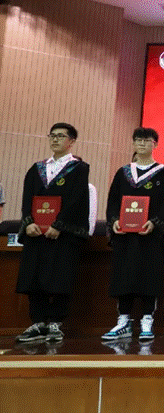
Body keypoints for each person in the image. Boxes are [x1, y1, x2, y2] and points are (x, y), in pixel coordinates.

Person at [15, 123, 89, 343]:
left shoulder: (79, 169)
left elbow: (76, 200)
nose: (55, 140)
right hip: (36, 233)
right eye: (52, 136)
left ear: (71, 141)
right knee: (34, 277)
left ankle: (55, 323)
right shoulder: (37, 168)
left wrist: (59, 225)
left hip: (62, 235)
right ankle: (37, 323)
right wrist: (28, 222)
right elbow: (27, 198)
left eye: (61, 136)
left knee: (60, 278)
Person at [103, 127, 164, 341]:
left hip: (150, 236)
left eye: (147, 140)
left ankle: (147, 319)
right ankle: (123, 320)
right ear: (133, 143)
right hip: (125, 236)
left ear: (155, 144)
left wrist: (155, 223)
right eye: (138, 140)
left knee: (149, 276)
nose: (142, 144)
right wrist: (114, 221)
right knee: (123, 276)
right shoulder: (123, 172)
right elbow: (113, 201)